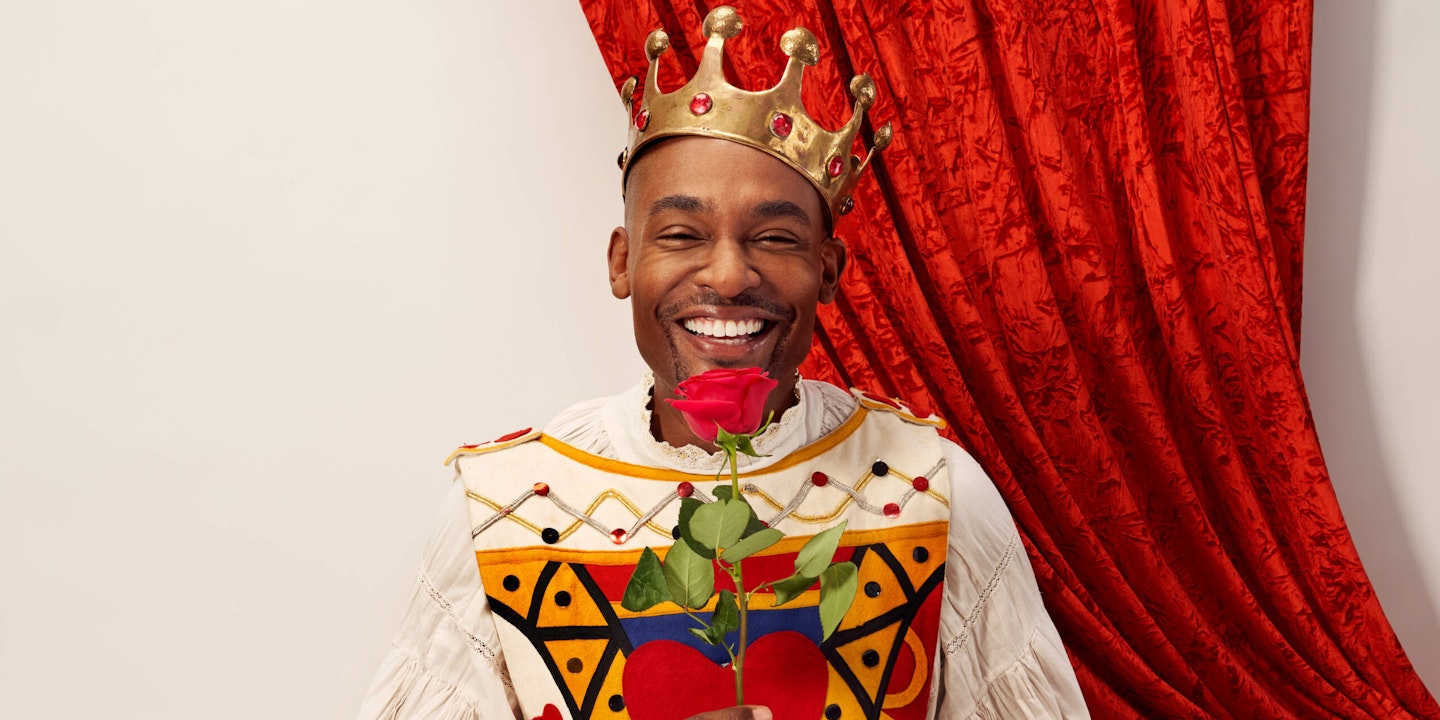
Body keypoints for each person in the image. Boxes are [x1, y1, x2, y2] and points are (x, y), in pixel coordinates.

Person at [358, 7, 1088, 720]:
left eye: (774, 238)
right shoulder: (504, 509)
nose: (730, 275)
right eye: (680, 233)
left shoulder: (934, 492)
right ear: (623, 262)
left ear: (829, 271)